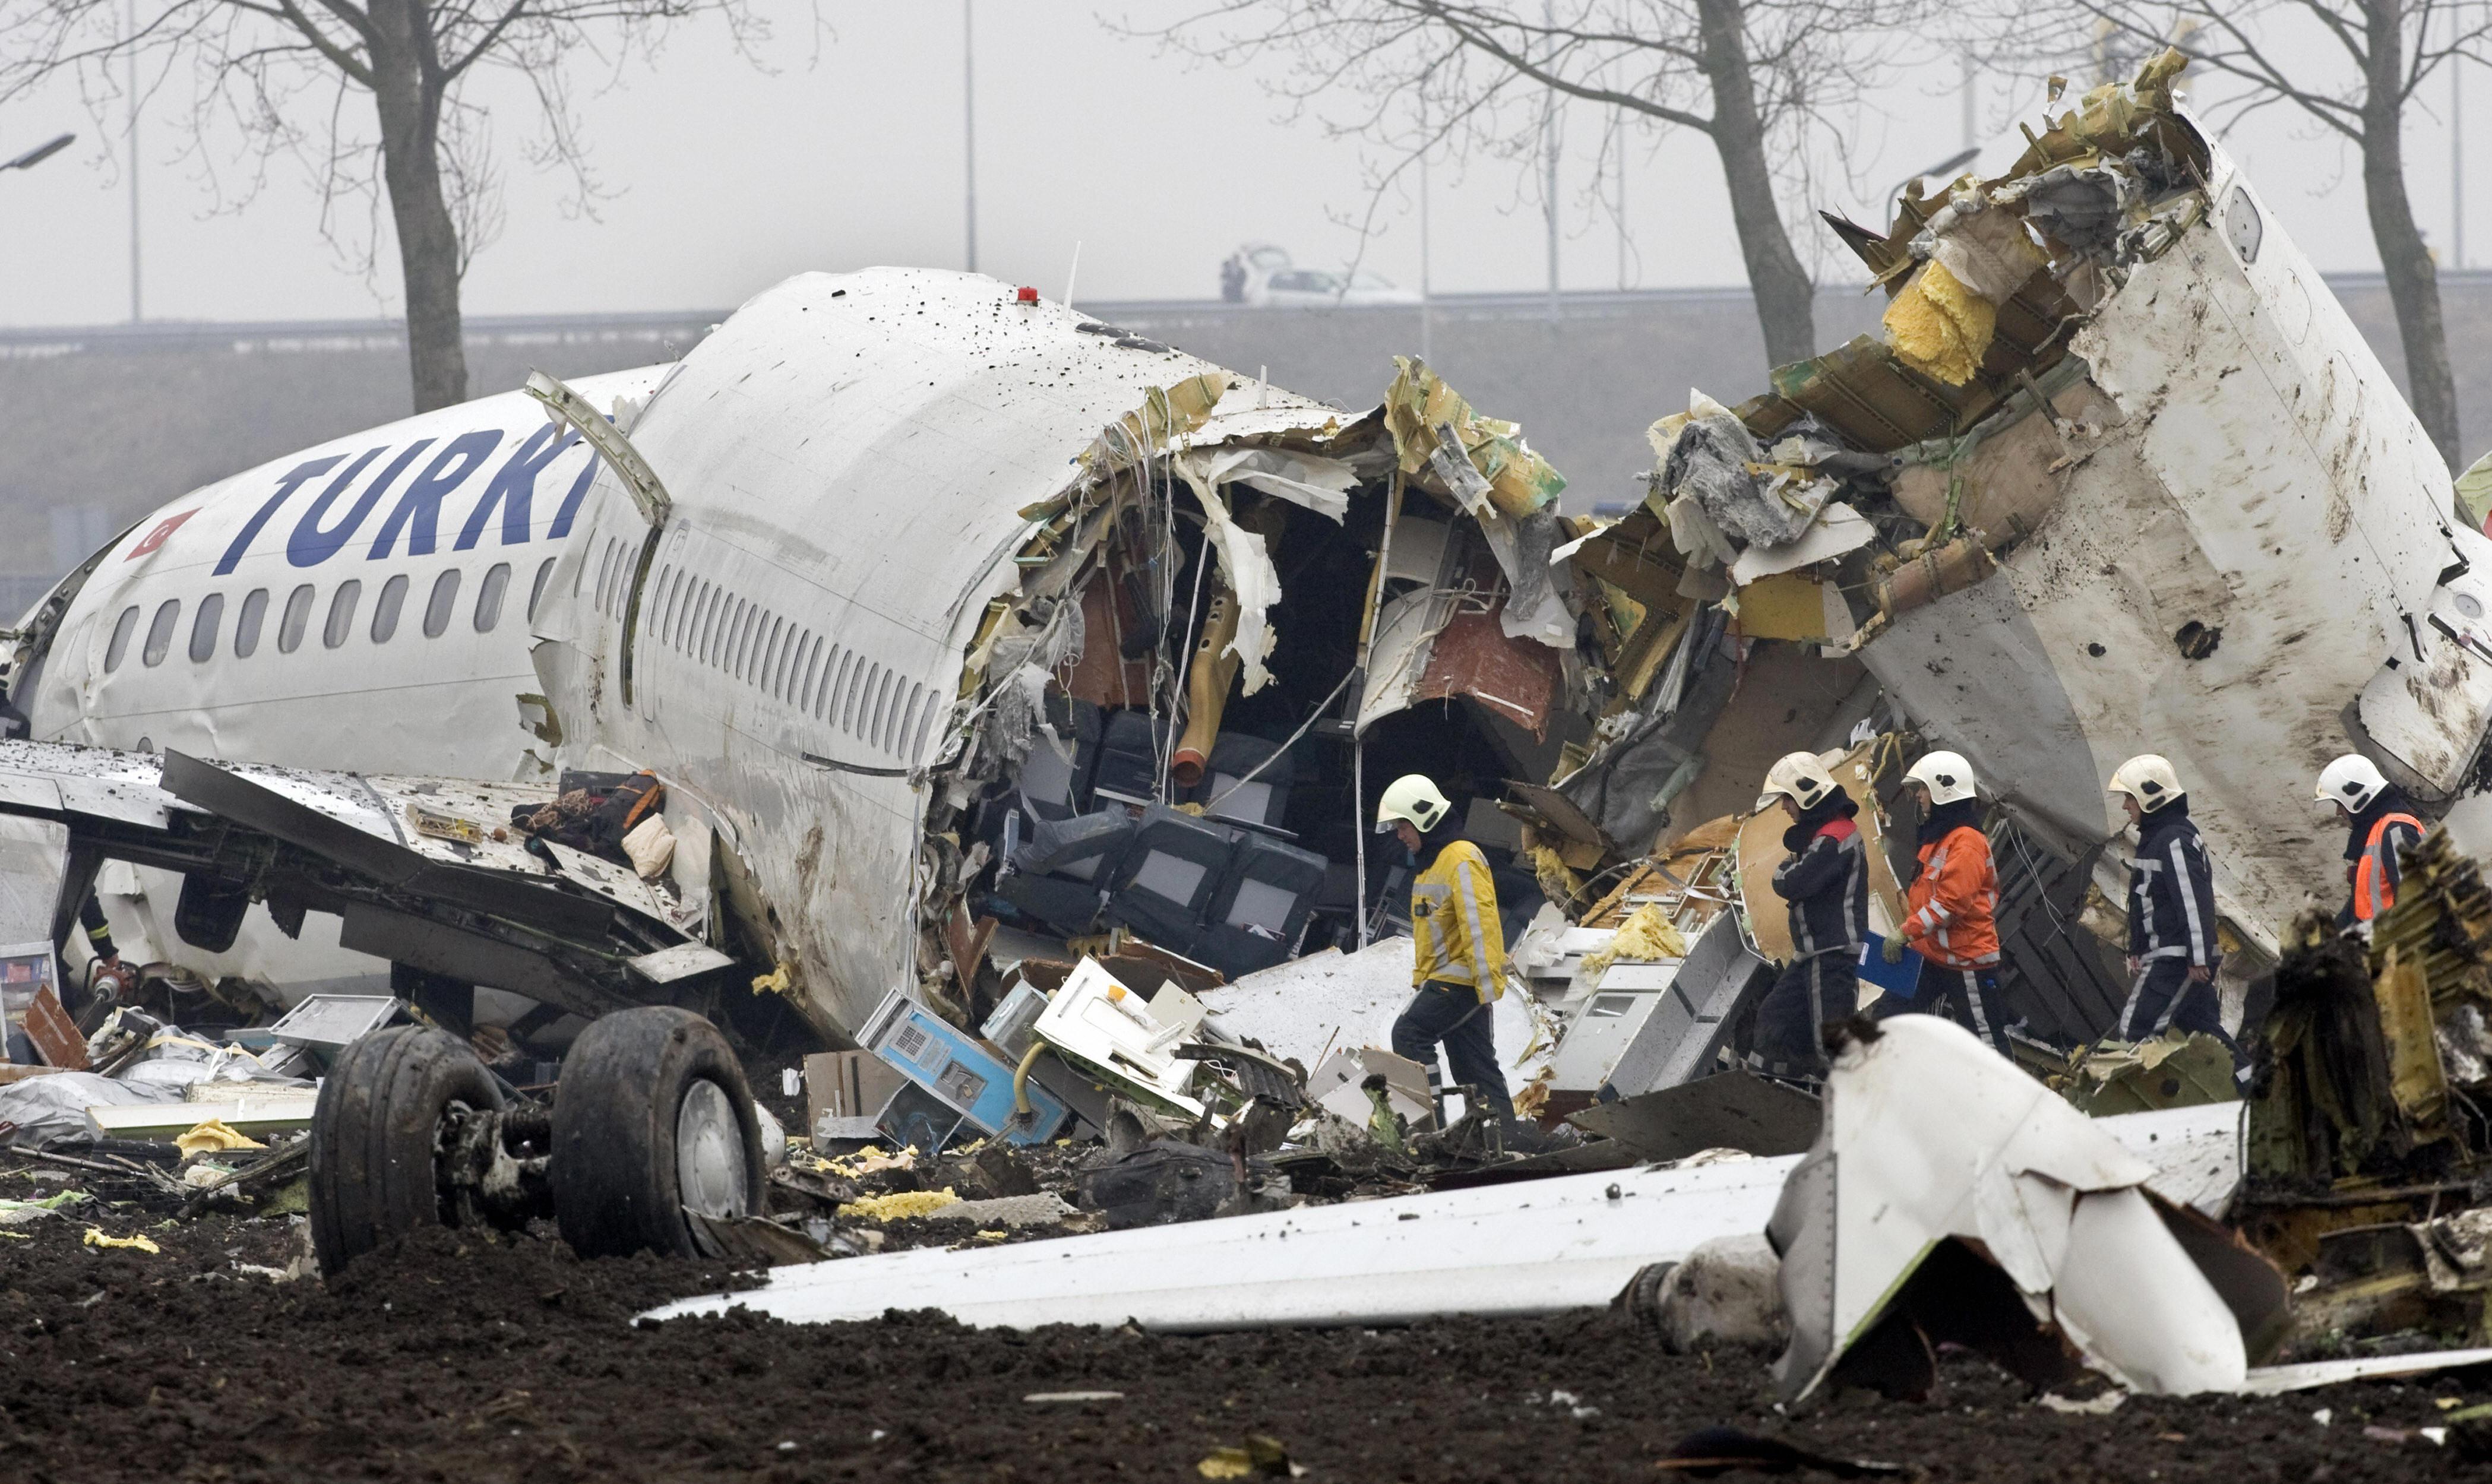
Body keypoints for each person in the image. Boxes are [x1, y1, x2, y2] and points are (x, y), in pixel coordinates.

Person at [1377, 773, 1514, 1124]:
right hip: (1456, 981)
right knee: (1475, 1069)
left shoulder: (1461, 858)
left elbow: (1480, 923)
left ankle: (1427, 1130)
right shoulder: (1434, 863)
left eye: (1403, 825)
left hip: (1463, 982)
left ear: (1423, 817)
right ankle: (1505, 1140)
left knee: (1409, 1034)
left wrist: (1486, 988)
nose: (1400, 835)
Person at [2106, 755, 2239, 1068]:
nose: (2126, 806)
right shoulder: (2158, 839)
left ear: (2150, 797)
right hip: (2172, 954)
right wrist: (2137, 947)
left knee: (2136, 1028)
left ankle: (2128, 1108)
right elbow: (2142, 901)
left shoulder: (2174, 840)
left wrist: (2198, 956)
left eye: (2129, 797)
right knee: (2209, 1038)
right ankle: (2254, 1089)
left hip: (2176, 958)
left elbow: (2193, 901)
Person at [1885, 749, 2012, 1056]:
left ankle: (2008, 1100)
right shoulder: (1939, 838)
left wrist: (1906, 932)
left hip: (1965, 961)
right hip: (1934, 956)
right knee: (1888, 1022)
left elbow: (1951, 904)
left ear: (1944, 790)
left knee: (1984, 1042)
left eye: (1923, 789)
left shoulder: (1966, 841)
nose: (1918, 796)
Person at [1753, 751, 1868, 1079]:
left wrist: (1782, 872)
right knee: (1775, 1024)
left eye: (1787, 799)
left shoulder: (1835, 838)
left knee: (1833, 1047)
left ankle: (1854, 1113)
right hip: (1811, 955)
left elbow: (1792, 881)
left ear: (1806, 794)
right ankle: (1771, 1096)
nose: (1785, 808)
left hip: (1831, 954)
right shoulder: (1826, 836)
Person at [2314, 754, 2424, 931]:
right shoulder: (2377, 833)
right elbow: (2359, 910)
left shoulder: (2396, 830)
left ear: (2356, 799)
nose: (2337, 812)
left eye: (2339, 804)